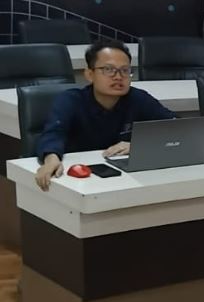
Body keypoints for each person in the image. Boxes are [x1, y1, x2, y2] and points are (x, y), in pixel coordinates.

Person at [34, 39, 175, 191]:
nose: (118, 76)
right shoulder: (71, 100)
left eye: (125, 70)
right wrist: (51, 158)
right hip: (76, 180)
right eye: (109, 69)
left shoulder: (138, 98)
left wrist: (139, 145)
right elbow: (53, 133)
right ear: (89, 74)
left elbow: (174, 127)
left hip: (124, 178)